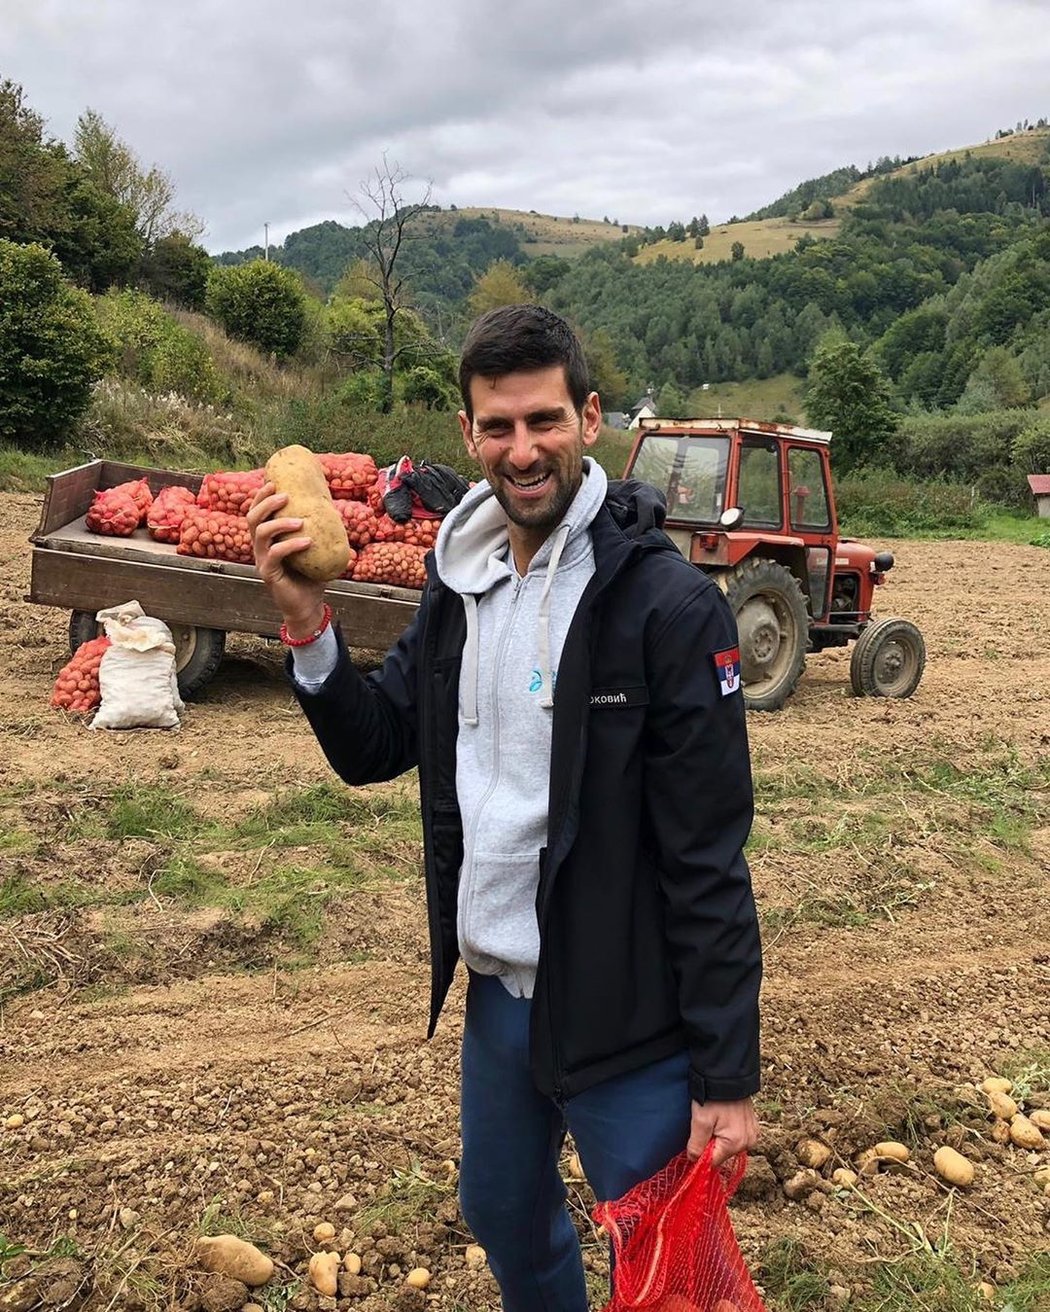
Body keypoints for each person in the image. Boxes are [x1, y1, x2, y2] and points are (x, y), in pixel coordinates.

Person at [248, 305, 762, 1312]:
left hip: (631, 1021)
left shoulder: (665, 607)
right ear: (468, 434)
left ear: (590, 417)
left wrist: (727, 1076)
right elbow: (377, 742)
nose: (521, 449)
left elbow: (707, 854)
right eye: (498, 426)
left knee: (662, 1275)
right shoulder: (460, 581)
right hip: (500, 1008)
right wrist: (308, 626)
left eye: (543, 420)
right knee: (502, 1216)